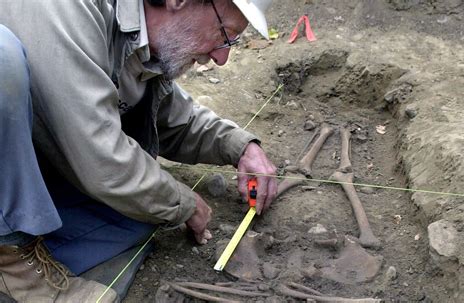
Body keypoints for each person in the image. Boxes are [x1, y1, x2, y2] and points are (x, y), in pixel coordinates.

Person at [0, 0, 277, 301]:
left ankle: (26, 239)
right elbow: (98, 154)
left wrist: (238, 146)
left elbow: (168, 114)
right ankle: (12, 259)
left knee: (138, 214)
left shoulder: (142, 38)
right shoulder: (66, 8)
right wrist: (183, 201)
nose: (222, 57)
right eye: (224, 33)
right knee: (3, 59)